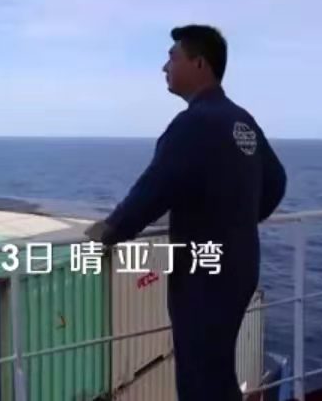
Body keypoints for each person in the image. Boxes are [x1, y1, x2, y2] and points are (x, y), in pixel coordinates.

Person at [85, 24, 287, 401]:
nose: (165, 67)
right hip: (241, 265)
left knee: (199, 379)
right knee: (216, 369)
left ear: (199, 64)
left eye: (172, 57)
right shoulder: (241, 120)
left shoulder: (193, 124)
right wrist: (237, 220)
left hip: (204, 275)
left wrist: (109, 231)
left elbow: (152, 190)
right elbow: (276, 182)